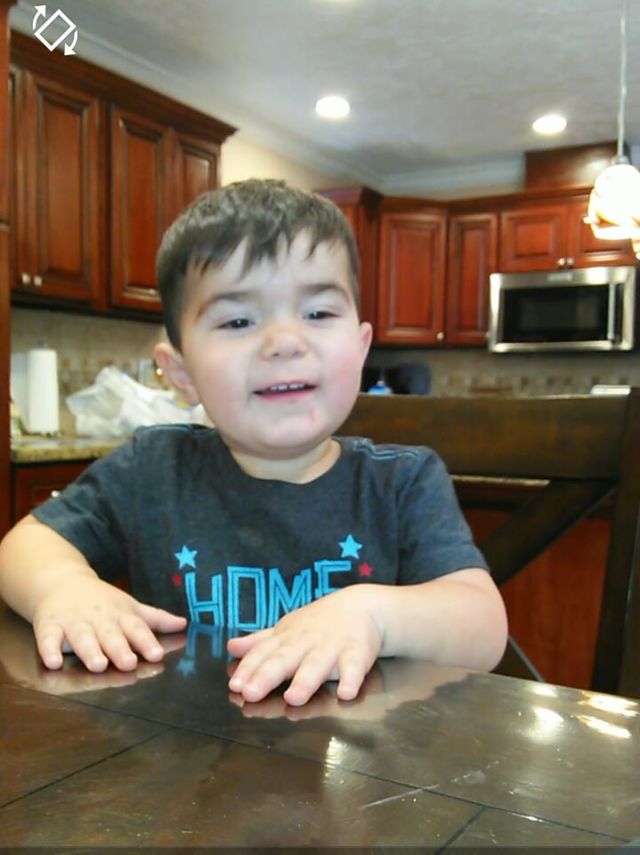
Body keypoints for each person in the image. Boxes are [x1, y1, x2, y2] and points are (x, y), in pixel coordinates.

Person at [0, 179, 507, 706]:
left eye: (318, 313)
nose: (285, 343)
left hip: (356, 753)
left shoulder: (402, 482)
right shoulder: (152, 469)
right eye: (239, 320)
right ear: (181, 373)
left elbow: (483, 626)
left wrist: (373, 616)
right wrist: (64, 588)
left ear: (360, 349)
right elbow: (25, 545)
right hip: (179, 749)